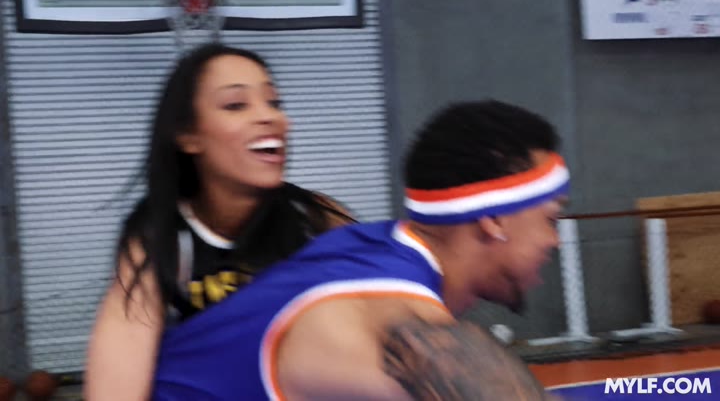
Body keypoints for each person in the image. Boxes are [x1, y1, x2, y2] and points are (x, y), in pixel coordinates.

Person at [148, 99, 570, 400]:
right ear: (493, 219)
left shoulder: (369, 246)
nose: (555, 240)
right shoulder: (393, 314)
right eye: (550, 220)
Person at [83, 43, 355, 400]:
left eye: (274, 102)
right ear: (188, 136)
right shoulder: (159, 237)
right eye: (235, 105)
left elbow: (380, 315)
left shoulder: (317, 219)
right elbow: (121, 359)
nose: (269, 116)